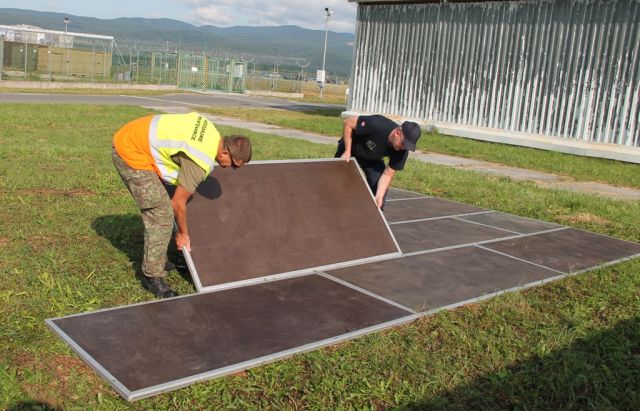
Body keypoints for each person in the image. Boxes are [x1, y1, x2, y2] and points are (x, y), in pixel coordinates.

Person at [112, 112, 252, 298]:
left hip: (136, 134)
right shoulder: (200, 161)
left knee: (166, 200)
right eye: (234, 165)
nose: (231, 169)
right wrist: (183, 234)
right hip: (130, 150)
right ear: (224, 153)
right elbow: (178, 203)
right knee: (161, 212)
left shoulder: (211, 131)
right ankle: (152, 276)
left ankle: (159, 257)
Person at [335, 114, 422, 208]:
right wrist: (347, 151)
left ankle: (375, 212)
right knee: (336, 179)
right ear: (397, 133)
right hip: (351, 148)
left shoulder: (402, 151)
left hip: (372, 159)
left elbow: (388, 174)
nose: (403, 147)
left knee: (379, 193)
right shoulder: (377, 124)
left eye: (407, 146)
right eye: (403, 143)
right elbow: (348, 122)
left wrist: (379, 195)